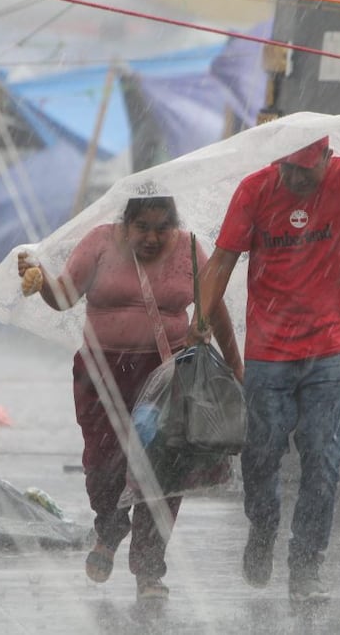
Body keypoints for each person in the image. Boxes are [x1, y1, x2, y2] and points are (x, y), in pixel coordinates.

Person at [17, 196, 242, 603]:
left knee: (164, 470)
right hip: (101, 374)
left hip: (166, 376)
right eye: (143, 228)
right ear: (125, 224)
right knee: (104, 462)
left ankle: (150, 571)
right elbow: (65, 296)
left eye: (163, 228)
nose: (154, 238)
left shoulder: (190, 248)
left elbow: (215, 307)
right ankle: (109, 528)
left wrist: (236, 368)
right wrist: (41, 284)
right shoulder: (100, 244)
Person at [187, 135, 340, 606]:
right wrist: (201, 320)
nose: (294, 178)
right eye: (287, 167)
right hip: (269, 352)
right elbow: (223, 260)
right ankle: (264, 525)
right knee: (260, 455)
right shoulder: (254, 190)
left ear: (328, 160)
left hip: (333, 347)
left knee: (323, 463)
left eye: (305, 170)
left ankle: (307, 565)